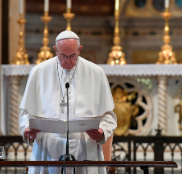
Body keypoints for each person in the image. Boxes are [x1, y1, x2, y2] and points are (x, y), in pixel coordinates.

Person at [19, 30, 117, 174]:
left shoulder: (96, 73)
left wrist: (102, 132)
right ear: (55, 50)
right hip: (48, 148)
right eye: (63, 56)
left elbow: (108, 115)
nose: (68, 61)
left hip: (85, 147)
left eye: (72, 56)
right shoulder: (39, 72)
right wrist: (27, 129)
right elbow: (26, 113)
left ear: (80, 49)